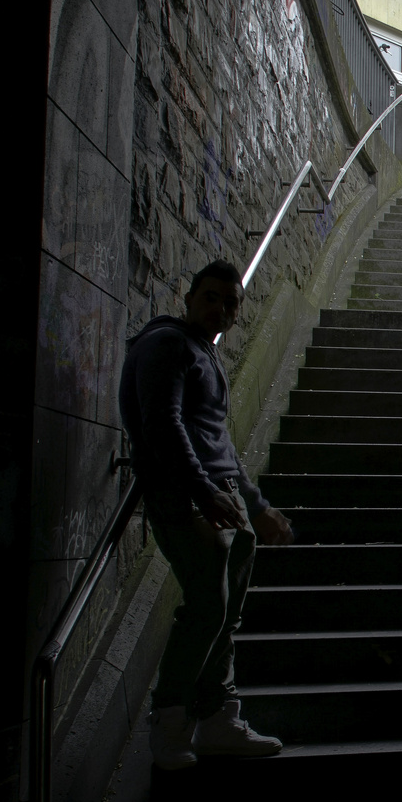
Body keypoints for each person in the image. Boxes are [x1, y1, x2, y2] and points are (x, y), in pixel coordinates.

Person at [118, 261, 294, 770]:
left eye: (232, 303)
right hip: (189, 497)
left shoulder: (204, 355)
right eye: (212, 297)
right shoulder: (167, 346)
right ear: (190, 295)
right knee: (206, 609)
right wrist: (200, 490)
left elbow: (220, 444)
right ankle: (170, 723)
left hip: (222, 496)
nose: (222, 309)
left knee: (224, 613)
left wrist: (256, 506)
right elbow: (162, 424)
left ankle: (218, 718)